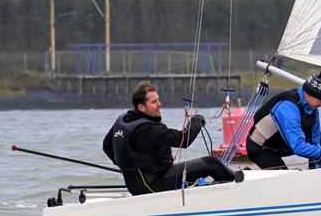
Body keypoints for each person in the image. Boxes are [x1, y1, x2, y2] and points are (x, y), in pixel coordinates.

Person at [103, 81, 240, 195]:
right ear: (141, 107)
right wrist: (196, 121)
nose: (160, 104)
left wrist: (128, 167)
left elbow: (107, 146)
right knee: (212, 163)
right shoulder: (150, 130)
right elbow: (184, 139)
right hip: (155, 185)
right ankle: (241, 186)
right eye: (154, 102)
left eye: (158, 99)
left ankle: (233, 180)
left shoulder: (123, 121)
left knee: (208, 165)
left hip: (136, 186)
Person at [247, 69, 321, 170]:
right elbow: (298, 147)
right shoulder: (288, 108)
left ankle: (316, 171)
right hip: (260, 147)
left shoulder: (312, 108)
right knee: (285, 179)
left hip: (283, 143)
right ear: (310, 94)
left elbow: (315, 140)